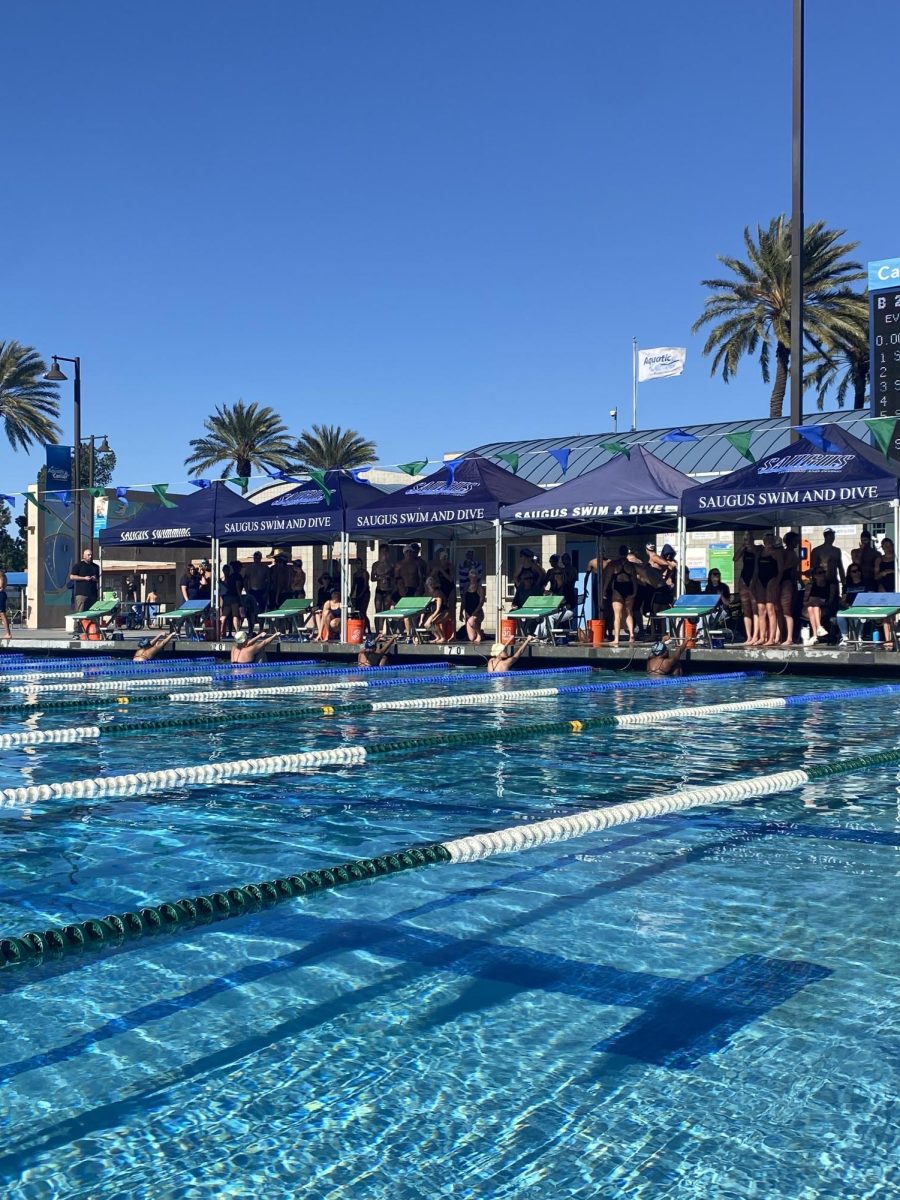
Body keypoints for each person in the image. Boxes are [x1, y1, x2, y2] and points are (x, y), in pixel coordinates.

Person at [751, 532, 783, 647]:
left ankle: (771, 638)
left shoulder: (777, 552)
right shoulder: (760, 552)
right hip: (760, 580)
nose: (768, 542)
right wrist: (753, 583)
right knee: (760, 609)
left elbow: (780, 570)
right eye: (766, 539)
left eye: (770, 540)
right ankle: (762, 637)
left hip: (772, 580)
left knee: (770, 608)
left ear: (773, 541)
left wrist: (776, 583)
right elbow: (756, 569)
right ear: (764, 541)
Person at [602, 546, 638, 644]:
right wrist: (635, 591)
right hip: (629, 588)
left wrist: (604, 590)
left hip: (618, 589)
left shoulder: (613, 564)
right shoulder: (630, 565)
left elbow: (608, 578)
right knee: (629, 612)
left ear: (619, 552)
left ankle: (616, 639)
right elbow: (634, 580)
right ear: (627, 553)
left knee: (617, 615)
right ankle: (631, 635)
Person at [734, 532, 760, 644]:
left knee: (755, 609)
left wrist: (751, 547)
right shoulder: (744, 549)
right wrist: (742, 546)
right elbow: (735, 558)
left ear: (753, 539)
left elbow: (758, 561)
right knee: (746, 610)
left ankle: (756, 635)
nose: (747, 540)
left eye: (748, 538)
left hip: (754, 579)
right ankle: (748, 636)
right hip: (744, 578)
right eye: (745, 538)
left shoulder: (759, 548)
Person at [836, 563, 868, 646]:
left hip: (862, 607)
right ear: (850, 573)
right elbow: (843, 599)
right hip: (849, 606)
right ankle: (845, 637)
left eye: (858, 571)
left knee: (859, 614)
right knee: (839, 614)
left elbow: (869, 596)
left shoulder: (866, 583)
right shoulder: (846, 586)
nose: (857, 573)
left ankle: (859, 636)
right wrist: (845, 604)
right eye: (854, 571)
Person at [801, 566, 834, 643]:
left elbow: (830, 600)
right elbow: (805, 601)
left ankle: (815, 635)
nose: (822, 574)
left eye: (823, 572)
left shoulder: (830, 585)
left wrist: (819, 602)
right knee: (811, 607)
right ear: (814, 575)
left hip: (823, 608)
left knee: (814, 607)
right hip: (808, 608)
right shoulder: (810, 585)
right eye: (819, 573)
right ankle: (819, 628)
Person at [779, 531, 801, 647]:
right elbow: (788, 569)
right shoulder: (789, 553)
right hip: (787, 581)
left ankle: (786, 636)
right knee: (787, 610)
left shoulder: (790, 552)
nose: (798, 542)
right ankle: (787, 636)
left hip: (789, 581)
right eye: (796, 540)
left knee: (787, 610)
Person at [421, 576, 452, 642]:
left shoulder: (438, 594)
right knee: (426, 625)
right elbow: (423, 608)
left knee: (434, 622)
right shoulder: (426, 594)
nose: (429, 586)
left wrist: (432, 616)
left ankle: (443, 637)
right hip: (436, 612)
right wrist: (421, 619)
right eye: (429, 584)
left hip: (444, 612)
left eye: (431, 584)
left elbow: (438, 609)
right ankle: (437, 637)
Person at [69, 549, 100, 613]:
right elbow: (72, 576)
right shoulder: (79, 565)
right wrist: (84, 578)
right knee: (81, 614)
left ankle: (91, 623)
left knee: (92, 614)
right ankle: (78, 623)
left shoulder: (95, 566)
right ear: (84, 556)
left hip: (93, 595)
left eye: (91, 555)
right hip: (82, 594)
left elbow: (98, 579)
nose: (90, 556)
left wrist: (95, 578)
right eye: (88, 555)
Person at [459, 569, 486, 642]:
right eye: (471, 575)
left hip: (478, 613)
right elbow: (463, 600)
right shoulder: (466, 587)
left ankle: (480, 635)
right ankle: (481, 633)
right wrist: (461, 612)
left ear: (477, 577)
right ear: (469, 576)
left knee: (471, 621)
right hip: (468, 612)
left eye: (474, 575)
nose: (473, 577)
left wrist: (475, 612)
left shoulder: (480, 588)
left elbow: (481, 602)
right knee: (471, 638)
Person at [219, 562, 243, 638]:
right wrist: (240, 598)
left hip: (227, 597)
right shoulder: (238, 576)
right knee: (235, 615)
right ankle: (237, 632)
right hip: (234, 597)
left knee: (224, 615)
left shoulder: (230, 576)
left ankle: (219, 631)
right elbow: (238, 587)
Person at [370, 545, 396, 612]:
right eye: (383, 551)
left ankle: (386, 622)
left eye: (386, 551)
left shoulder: (391, 564)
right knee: (378, 609)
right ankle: (378, 622)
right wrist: (379, 578)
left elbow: (395, 577)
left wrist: (389, 577)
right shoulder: (376, 565)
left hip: (388, 589)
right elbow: (372, 578)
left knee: (387, 610)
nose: (384, 553)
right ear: (380, 552)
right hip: (379, 589)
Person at [349, 560, 371, 631]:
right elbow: (353, 585)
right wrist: (350, 594)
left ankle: (368, 629)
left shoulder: (364, 573)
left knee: (363, 611)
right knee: (358, 611)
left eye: (359, 563)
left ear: (361, 564)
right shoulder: (355, 574)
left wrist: (361, 594)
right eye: (356, 564)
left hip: (365, 593)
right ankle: (362, 628)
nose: (357, 565)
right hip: (358, 593)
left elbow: (366, 585)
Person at [0, 571, 10, 640]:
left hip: (1, 594)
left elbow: (1, 585)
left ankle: (8, 634)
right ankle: (8, 633)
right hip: (2, 594)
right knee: (2, 614)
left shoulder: (1, 575)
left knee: (2, 614)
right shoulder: (3, 575)